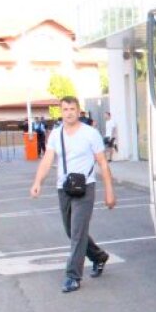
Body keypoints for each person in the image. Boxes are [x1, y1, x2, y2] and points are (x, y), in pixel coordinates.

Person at [29, 97, 117, 293]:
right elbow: (47, 160)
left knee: (77, 232)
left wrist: (109, 192)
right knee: (72, 232)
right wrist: (37, 182)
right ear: (61, 112)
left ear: (79, 111)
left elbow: (102, 163)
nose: (68, 112)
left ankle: (73, 276)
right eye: (65, 109)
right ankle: (98, 256)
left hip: (85, 187)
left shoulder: (90, 134)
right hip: (64, 188)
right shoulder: (56, 134)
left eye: (72, 109)